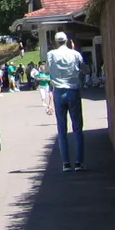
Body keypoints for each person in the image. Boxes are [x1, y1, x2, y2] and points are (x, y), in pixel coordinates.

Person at [47, 32, 86, 172]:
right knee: (77, 127)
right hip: (73, 89)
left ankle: (66, 163)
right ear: (67, 41)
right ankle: (79, 162)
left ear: (56, 42)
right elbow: (84, 69)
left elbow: (48, 69)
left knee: (62, 128)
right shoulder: (75, 54)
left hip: (58, 91)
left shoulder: (51, 54)